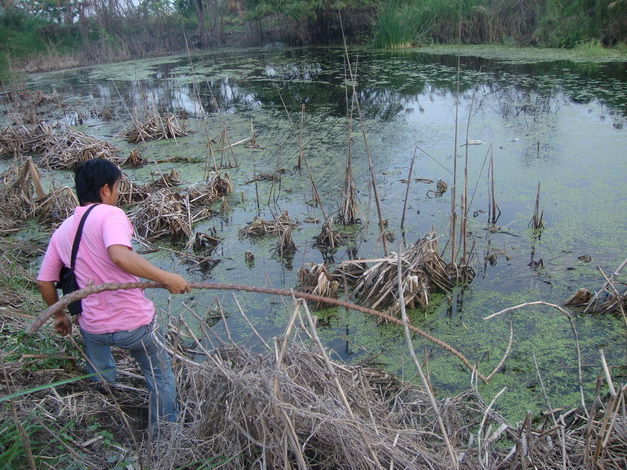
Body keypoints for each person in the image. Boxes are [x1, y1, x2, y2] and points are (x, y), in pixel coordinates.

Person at [37, 158, 191, 431]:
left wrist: (59, 316)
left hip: (93, 327)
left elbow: (44, 282)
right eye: (118, 187)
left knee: (100, 372)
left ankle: (108, 419)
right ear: (105, 189)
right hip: (135, 326)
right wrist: (167, 278)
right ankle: (166, 436)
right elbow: (119, 255)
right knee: (160, 377)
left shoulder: (62, 231)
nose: (118, 194)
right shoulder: (111, 215)